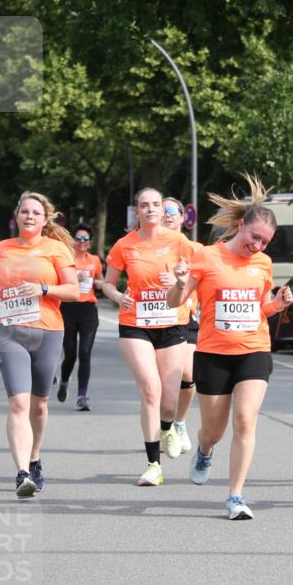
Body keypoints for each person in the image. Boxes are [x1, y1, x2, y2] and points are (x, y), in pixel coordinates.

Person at [168, 174, 293, 520]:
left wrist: (278, 304)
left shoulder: (263, 264)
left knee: (245, 419)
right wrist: (179, 284)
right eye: (255, 237)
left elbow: (262, 307)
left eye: (265, 242)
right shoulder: (207, 257)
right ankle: (204, 450)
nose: (258, 246)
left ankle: (235, 495)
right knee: (214, 430)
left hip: (254, 350)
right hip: (213, 354)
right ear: (241, 226)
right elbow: (174, 302)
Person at [0, 192, 79, 498]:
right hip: (8, 331)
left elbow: (73, 291)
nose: (30, 216)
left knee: (40, 403)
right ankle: (22, 473)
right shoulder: (1, 249)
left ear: (45, 219)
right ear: (17, 216)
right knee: (19, 403)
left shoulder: (56, 249)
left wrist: (43, 288)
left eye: (36, 212)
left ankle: (34, 458)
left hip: (48, 331)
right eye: (25, 211)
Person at [101, 187, 195, 486]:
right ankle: (154, 465)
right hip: (135, 323)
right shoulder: (124, 245)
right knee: (150, 391)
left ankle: (167, 427)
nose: (151, 209)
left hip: (173, 323)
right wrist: (118, 296)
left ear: (162, 210)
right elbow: (107, 283)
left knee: (168, 402)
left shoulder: (179, 242)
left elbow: (196, 279)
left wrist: (178, 282)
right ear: (137, 211)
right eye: (145, 205)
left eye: (156, 204)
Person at [162, 197, 199, 453]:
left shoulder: (194, 249)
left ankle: (180, 422)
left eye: (171, 210)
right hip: (159, 320)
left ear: (182, 217)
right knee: (163, 382)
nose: (166, 215)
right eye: (162, 210)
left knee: (188, 375)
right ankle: (164, 428)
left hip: (187, 317)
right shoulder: (148, 248)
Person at [56, 224, 103, 411]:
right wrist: (75, 280)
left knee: (85, 353)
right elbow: (57, 282)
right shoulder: (66, 260)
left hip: (88, 309)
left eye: (85, 239)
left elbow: (101, 280)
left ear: (89, 243)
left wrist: (99, 283)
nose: (82, 242)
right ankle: (64, 381)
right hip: (68, 308)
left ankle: (82, 396)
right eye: (78, 238)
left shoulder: (95, 260)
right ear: (73, 241)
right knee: (70, 355)